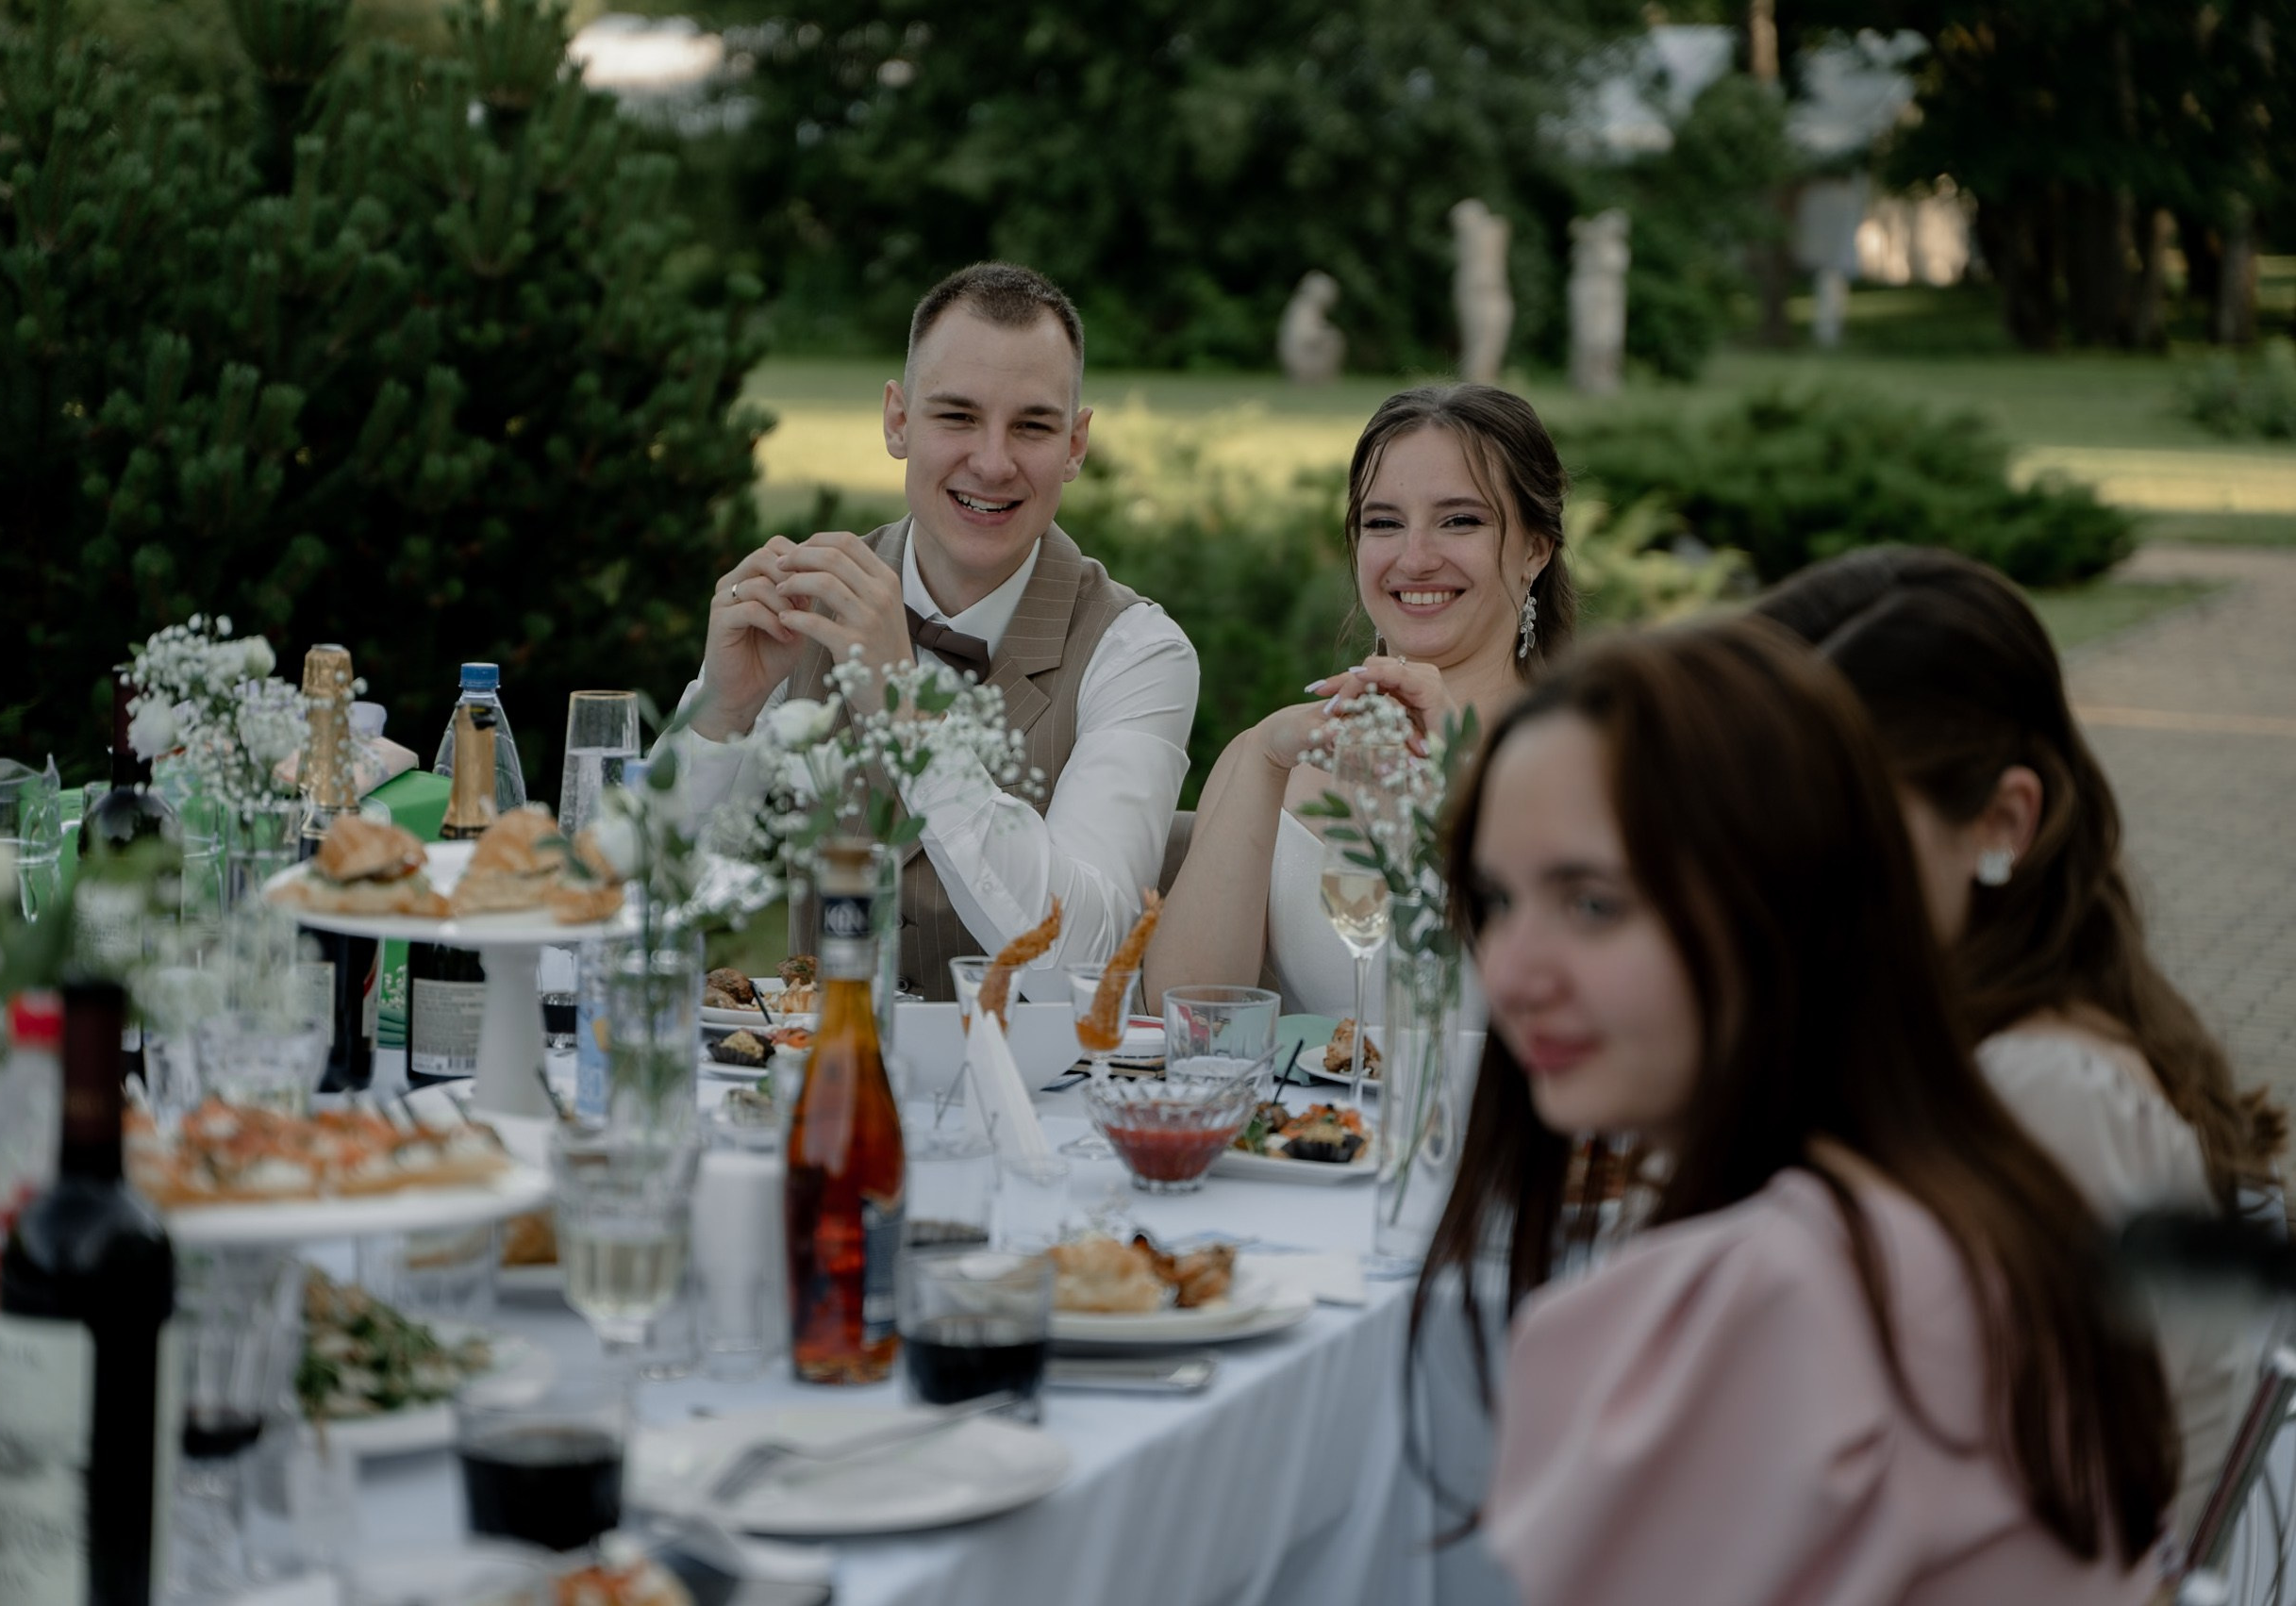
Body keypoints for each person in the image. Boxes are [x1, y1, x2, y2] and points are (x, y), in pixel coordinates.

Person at [1424, 620, 2174, 1604]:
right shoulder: (1982, 1202)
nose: (1512, 974)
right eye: (1495, 900)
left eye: (1594, 904)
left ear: (1779, 903)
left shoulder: (1777, 1295)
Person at [1754, 544, 2282, 1514]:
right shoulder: (1953, 1038)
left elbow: (2014, 1514)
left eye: (1837, 824)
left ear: (2001, 822)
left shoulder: (2047, 1100)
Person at [667, 263, 1198, 1000]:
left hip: (1037, 1074)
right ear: (898, 421)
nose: (993, 462)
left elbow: (1085, 961)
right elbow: (631, 896)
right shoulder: (808, 602)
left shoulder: (1138, 652)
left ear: (1075, 445)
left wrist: (908, 712)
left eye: (1032, 426)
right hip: (821, 1061)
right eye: (957, 417)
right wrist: (720, 714)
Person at [1142, 385, 1573, 1015]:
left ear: (1535, 548)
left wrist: (1464, 775)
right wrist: (1263, 762)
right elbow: (1188, 1015)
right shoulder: (1274, 760)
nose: (1414, 558)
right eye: (1383, 523)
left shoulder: (1598, 755)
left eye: (1460, 520)